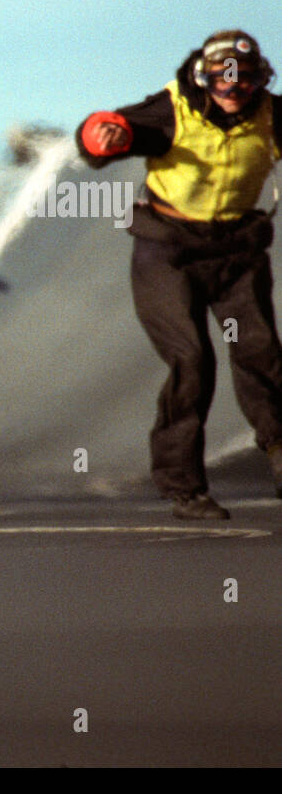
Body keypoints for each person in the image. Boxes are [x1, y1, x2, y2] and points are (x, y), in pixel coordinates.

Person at [76, 30, 282, 519]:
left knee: (262, 354)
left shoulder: (273, 116)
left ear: (259, 80)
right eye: (222, 81)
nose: (233, 92)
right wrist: (103, 137)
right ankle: (183, 487)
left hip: (236, 252)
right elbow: (106, 131)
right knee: (191, 360)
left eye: (244, 82)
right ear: (204, 78)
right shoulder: (173, 109)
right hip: (168, 252)